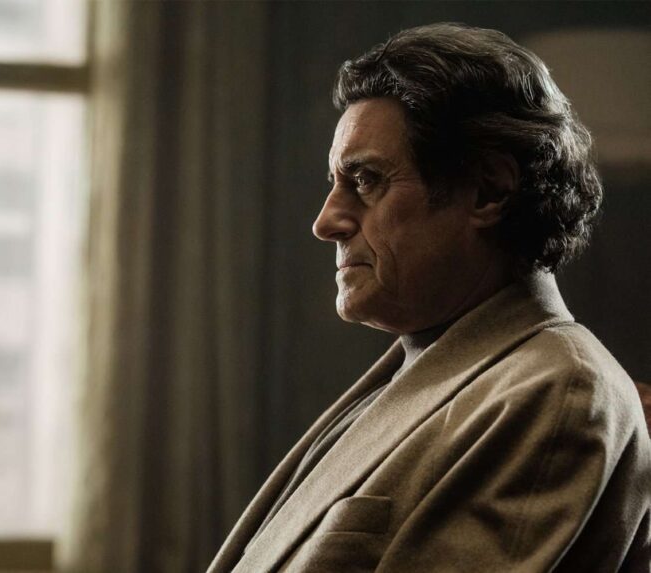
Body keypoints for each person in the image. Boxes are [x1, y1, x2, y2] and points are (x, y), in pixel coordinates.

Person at [208, 23, 651, 572]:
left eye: (366, 180)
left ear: (489, 189)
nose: (326, 221)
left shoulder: (557, 390)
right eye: (335, 183)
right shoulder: (426, 367)